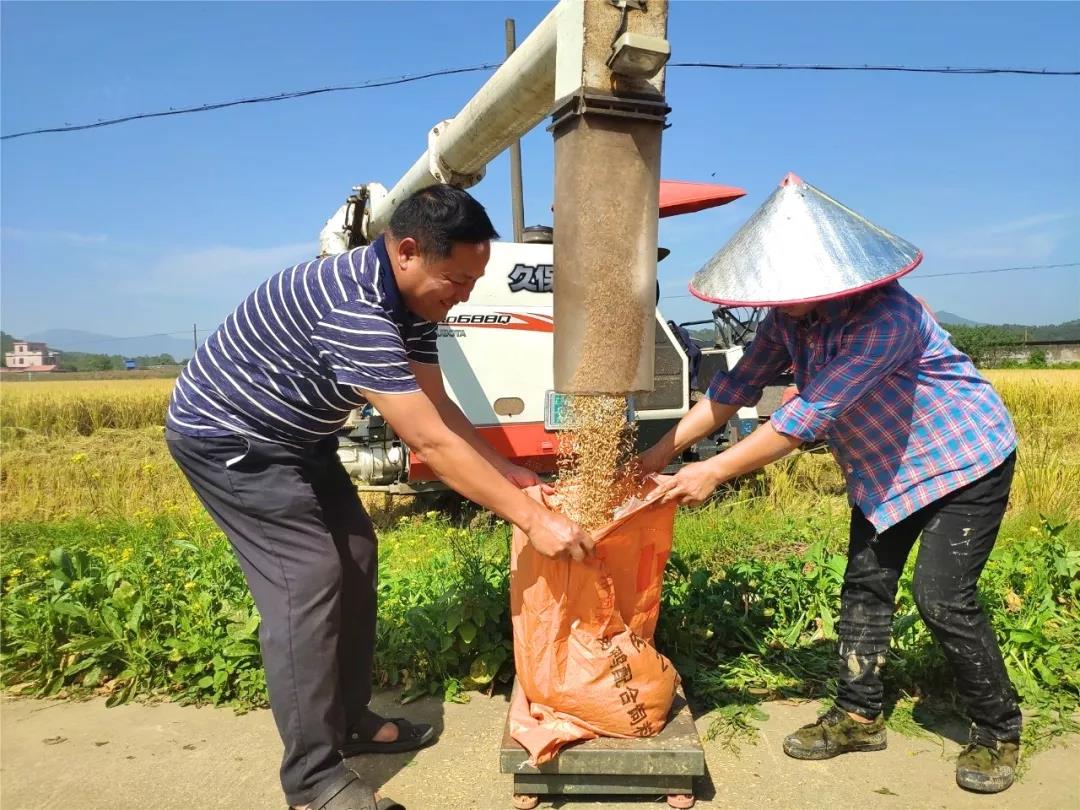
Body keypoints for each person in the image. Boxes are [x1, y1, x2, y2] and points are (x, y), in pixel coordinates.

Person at [165, 184, 592, 810]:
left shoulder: (419, 307)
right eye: (457, 278)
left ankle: (345, 718)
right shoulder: (353, 304)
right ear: (409, 251)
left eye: (475, 280)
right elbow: (427, 441)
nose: (466, 294)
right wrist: (530, 519)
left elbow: (440, 408)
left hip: (300, 438)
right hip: (232, 439)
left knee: (357, 556)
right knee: (306, 582)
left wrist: (511, 471)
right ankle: (313, 784)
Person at [640, 174, 1022, 794]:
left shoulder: (887, 319)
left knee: (942, 596)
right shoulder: (787, 320)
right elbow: (734, 390)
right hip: (885, 469)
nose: (778, 300)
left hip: (963, 462)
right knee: (866, 587)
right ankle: (857, 715)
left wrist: (710, 470)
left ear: (831, 275)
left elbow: (804, 417)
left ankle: (998, 728)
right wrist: (660, 451)